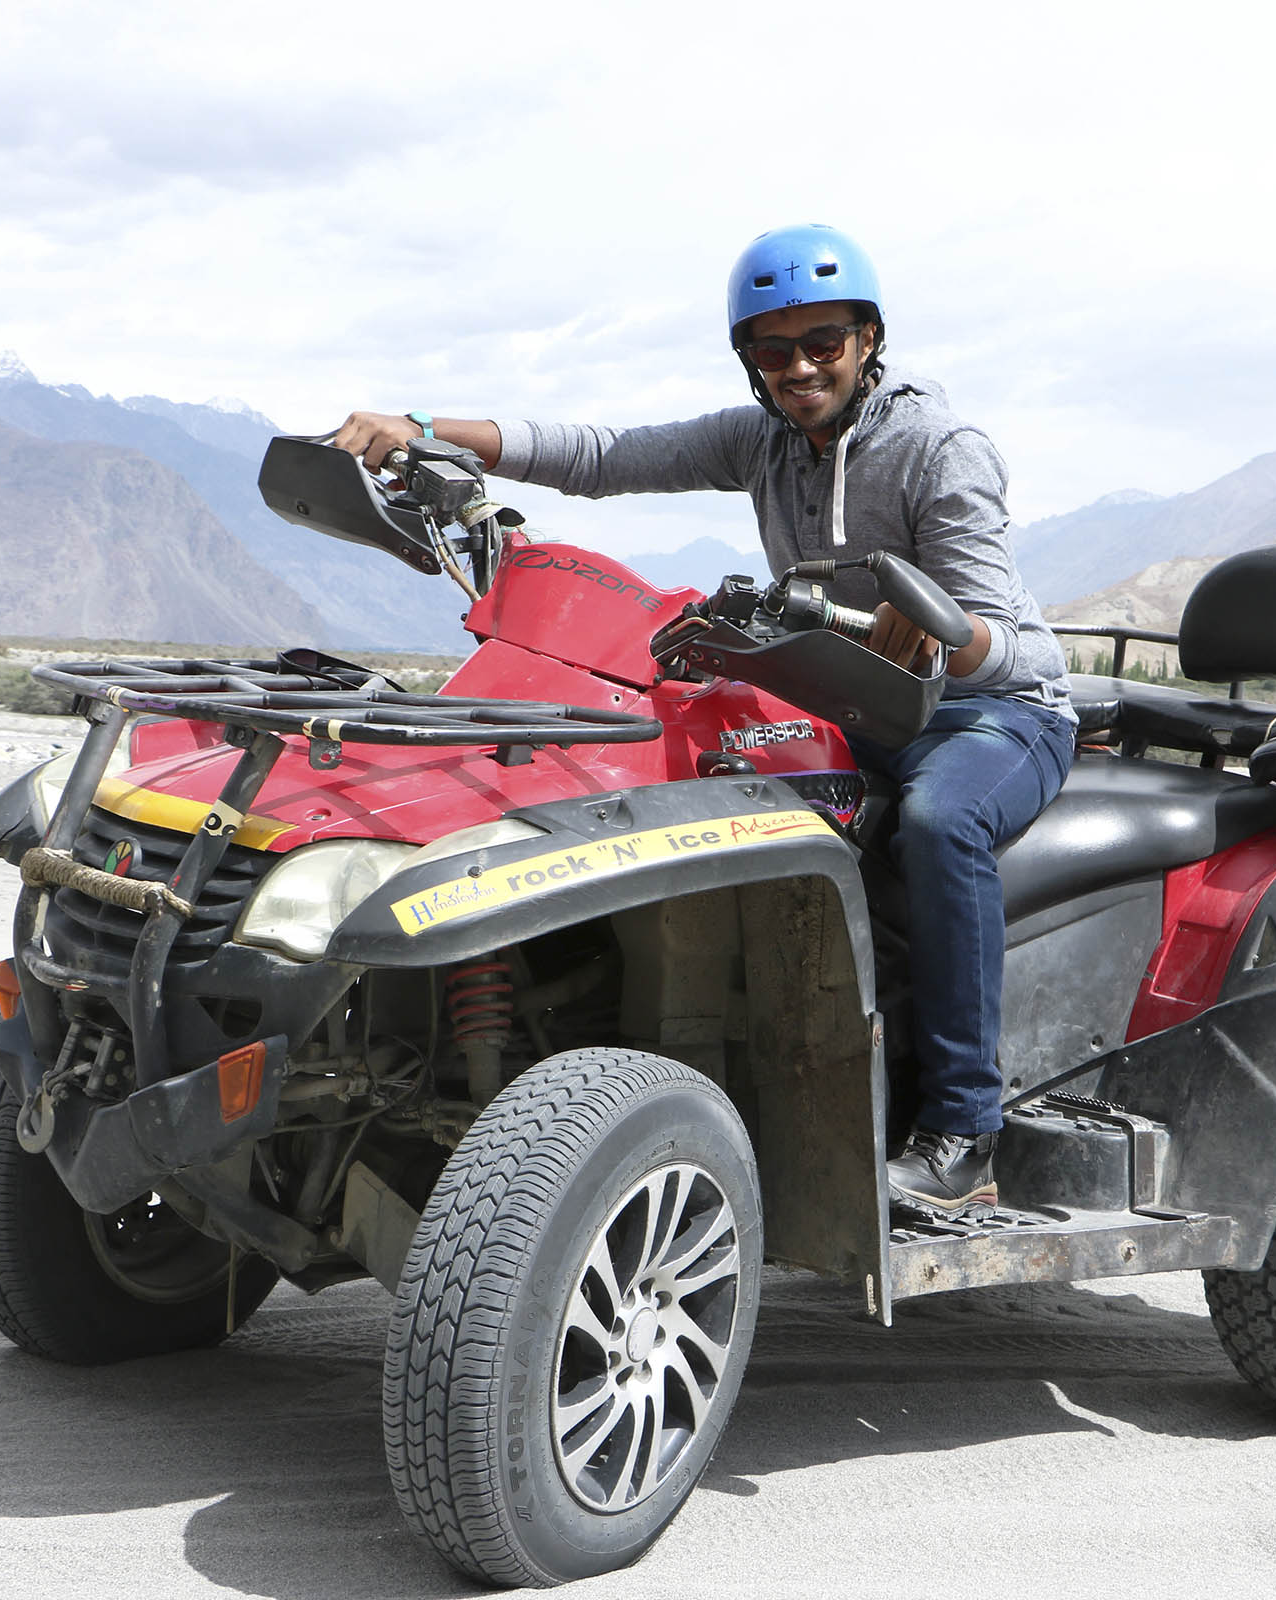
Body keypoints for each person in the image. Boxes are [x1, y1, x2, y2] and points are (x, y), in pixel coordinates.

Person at [334, 223, 1075, 1212]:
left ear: (867, 340)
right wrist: (426, 428)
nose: (801, 366)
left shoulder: (939, 449)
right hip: (855, 705)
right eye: (774, 349)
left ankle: (964, 1136)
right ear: (750, 361)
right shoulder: (761, 437)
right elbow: (601, 457)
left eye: (824, 342)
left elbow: (1021, 646)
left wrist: (950, 634)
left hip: (991, 715)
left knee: (940, 823)